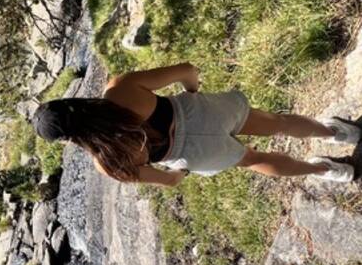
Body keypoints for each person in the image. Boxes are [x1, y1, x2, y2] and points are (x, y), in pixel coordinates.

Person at [31, 63, 359, 187]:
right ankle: (339, 132)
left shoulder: (107, 162)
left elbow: (169, 180)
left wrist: (183, 170)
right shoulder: (120, 89)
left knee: (253, 160)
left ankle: (329, 170)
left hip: (196, 153)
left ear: (68, 139)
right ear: (71, 101)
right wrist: (192, 92)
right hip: (198, 111)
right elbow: (187, 71)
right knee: (277, 123)